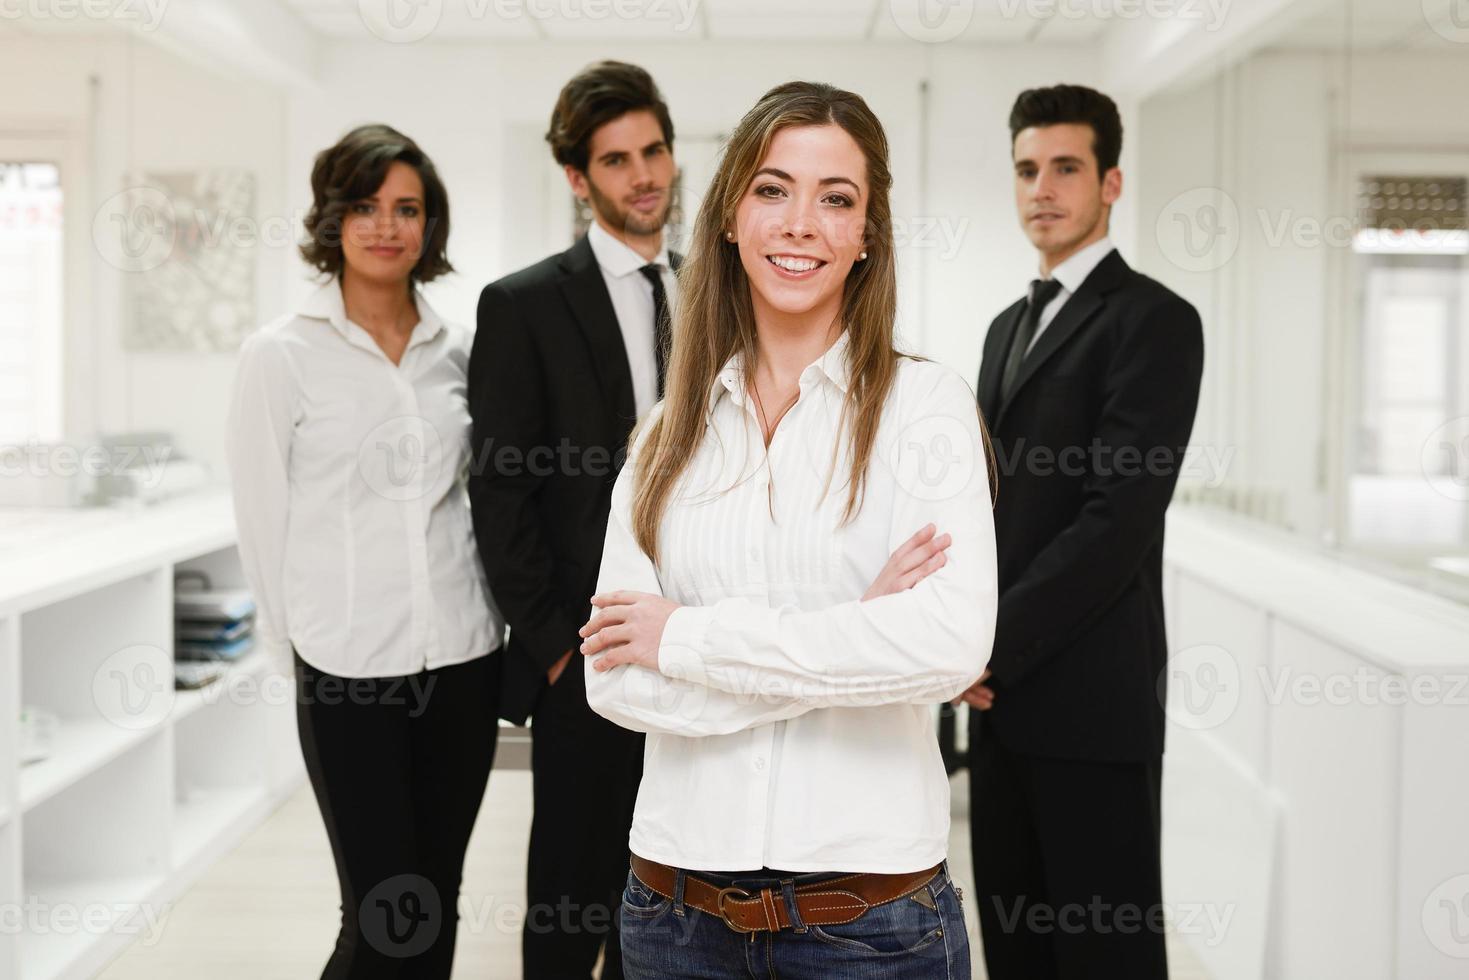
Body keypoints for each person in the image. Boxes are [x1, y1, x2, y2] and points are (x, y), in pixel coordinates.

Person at [579, 80, 996, 979]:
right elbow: (611, 680)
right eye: (772, 189)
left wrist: (684, 637)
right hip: (672, 918)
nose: (800, 223)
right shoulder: (665, 435)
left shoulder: (924, 408)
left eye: (834, 198)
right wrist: (852, 636)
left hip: (871, 929)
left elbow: (950, 646)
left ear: (865, 235)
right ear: (730, 215)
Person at [226, 124, 501, 978]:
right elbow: (260, 518)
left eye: (407, 208)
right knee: (384, 912)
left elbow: (475, 503)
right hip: (346, 668)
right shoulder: (280, 355)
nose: (387, 226)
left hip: (460, 660)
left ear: (431, 224)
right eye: (365, 206)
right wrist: (293, 652)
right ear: (332, 219)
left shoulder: (460, 351)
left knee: (437, 897)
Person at [960, 84, 1204, 980]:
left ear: (1111, 183)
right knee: (1014, 945)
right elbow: (988, 507)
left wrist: (988, 642)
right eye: (1026, 169)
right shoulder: (1003, 329)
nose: (1041, 188)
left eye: (1065, 168)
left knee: (1105, 955)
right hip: (1000, 706)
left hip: (1091, 701)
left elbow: (1117, 520)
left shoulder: (1154, 321)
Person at [466, 60, 680, 979]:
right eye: (616, 159)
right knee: (568, 895)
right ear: (577, 178)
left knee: (669, 894)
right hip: (585, 658)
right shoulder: (522, 305)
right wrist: (555, 650)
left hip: (696, 645)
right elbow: (499, 491)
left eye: (655, 150)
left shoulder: (718, 293)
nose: (643, 175)